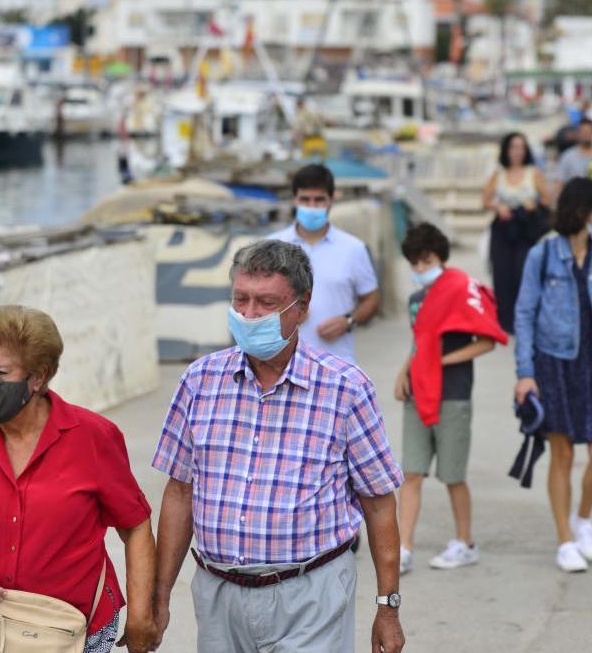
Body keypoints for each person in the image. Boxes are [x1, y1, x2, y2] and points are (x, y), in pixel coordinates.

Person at [151, 240, 406, 653]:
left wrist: (388, 608)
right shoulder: (199, 381)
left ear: (301, 308)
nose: (249, 315)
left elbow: (379, 502)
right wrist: (159, 595)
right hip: (219, 593)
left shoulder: (345, 388)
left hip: (311, 592)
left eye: (266, 303)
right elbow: (180, 492)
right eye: (241, 300)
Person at [0, 305, 156, 653]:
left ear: (37, 376)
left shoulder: (92, 436)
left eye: (0, 372)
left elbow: (136, 526)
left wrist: (141, 614)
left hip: (79, 630)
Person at [513, 178, 592, 573]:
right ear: (583, 211)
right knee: (561, 455)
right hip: (553, 362)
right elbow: (524, 314)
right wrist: (525, 373)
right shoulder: (543, 254)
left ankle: (583, 518)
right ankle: (564, 539)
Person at [394, 223, 507, 574]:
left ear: (440, 257)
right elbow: (419, 341)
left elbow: (488, 340)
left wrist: (441, 362)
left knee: (453, 475)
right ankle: (404, 548)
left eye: (425, 261)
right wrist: (405, 371)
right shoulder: (416, 300)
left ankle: (465, 543)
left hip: (453, 395)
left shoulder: (462, 291)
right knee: (411, 472)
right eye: (413, 263)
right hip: (419, 391)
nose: (419, 270)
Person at [269, 163, 379, 364]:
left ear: (331, 200)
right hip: (281, 363)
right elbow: (255, 300)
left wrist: (348, 321)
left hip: (336, 363)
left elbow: (371, 299)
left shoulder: (353, 248)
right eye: (305, 200)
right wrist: (284, 311)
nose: (311, 206)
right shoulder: (272, 247)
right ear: (295, 200)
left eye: (319, 200)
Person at [482, 132, 552, 333]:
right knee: (502, 274)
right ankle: (505, 321)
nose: (517, 152)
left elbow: (547, 200)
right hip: (503, 229)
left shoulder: (534, 173)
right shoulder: (499, 174)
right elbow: (485, 200)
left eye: (520, 147)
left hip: (526, 229)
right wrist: (498, 207)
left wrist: (533, 204)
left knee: (525, 273)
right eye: (513, 147)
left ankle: (528, 318)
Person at [554, 117, 592, 200]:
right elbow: (559, 184)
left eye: (589, 131)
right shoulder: (567, 156)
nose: (586, 134)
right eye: (583, 132)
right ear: (578, 133)